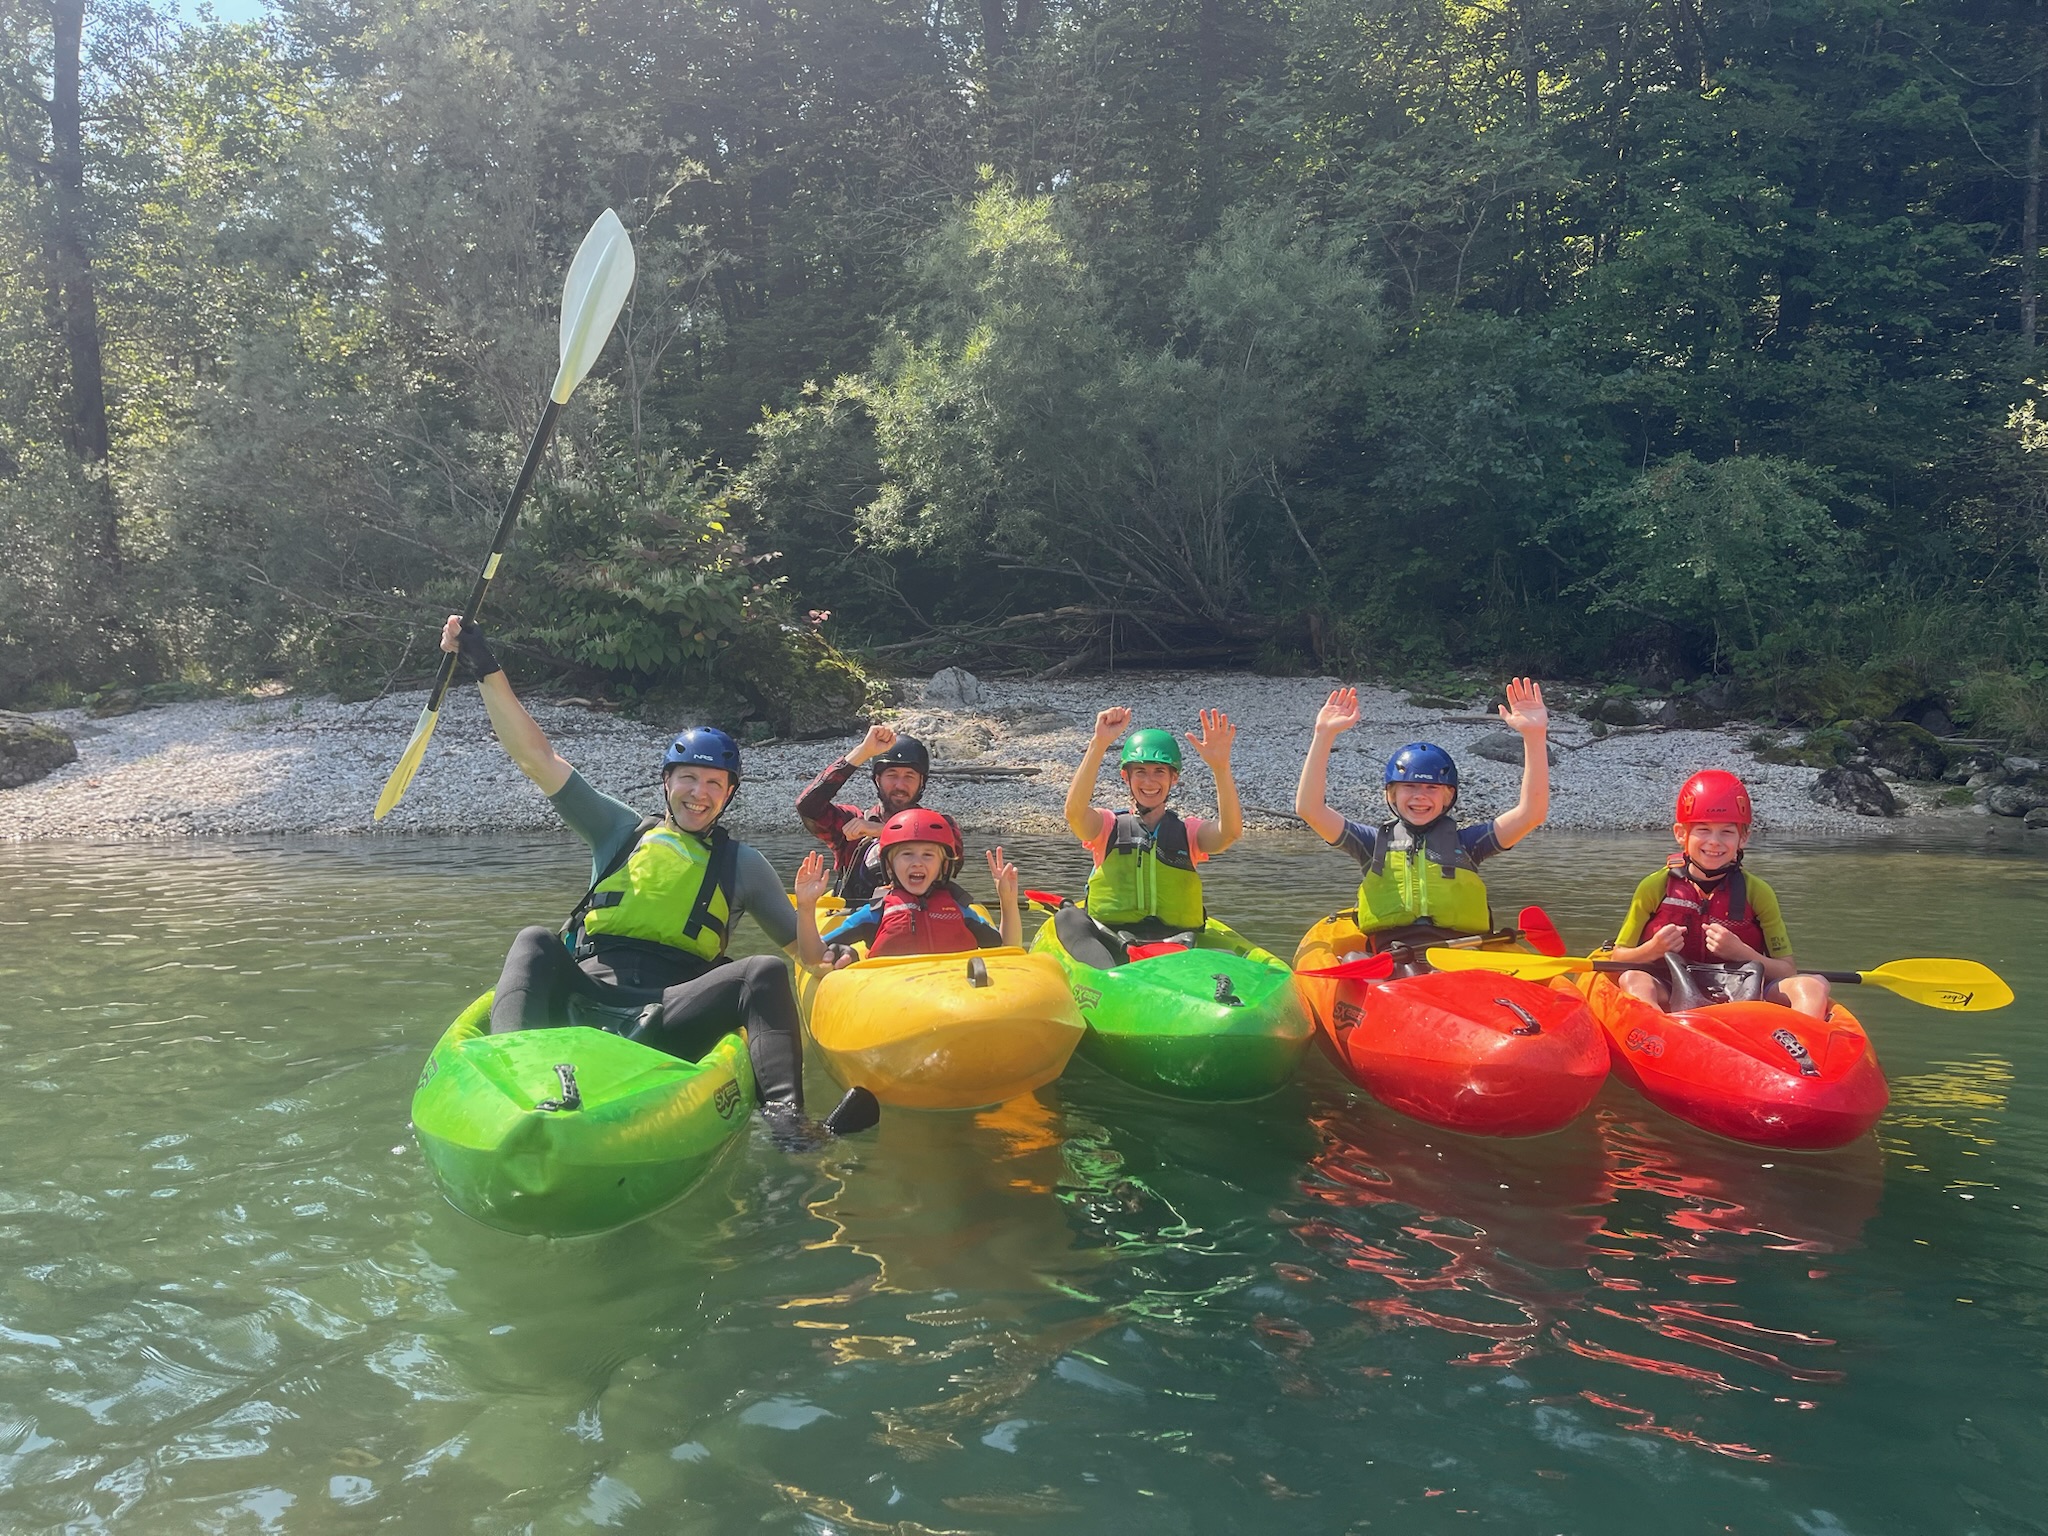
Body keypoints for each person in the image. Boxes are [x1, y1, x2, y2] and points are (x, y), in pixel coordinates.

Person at [437, 616, 876, 1143]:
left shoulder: (744, 864)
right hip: (588, 987)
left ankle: (788, 1124)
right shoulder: (618, 829)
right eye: (688, 778)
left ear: (729, 794)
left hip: (673, 1007)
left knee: (762, 970)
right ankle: (511, 1078)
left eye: (714, 783)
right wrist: (485, 667)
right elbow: (537, 758)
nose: (699, 793)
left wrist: (836, 952)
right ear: (666, 782)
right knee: (533, 940)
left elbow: (806, 957)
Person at [1293, 680, 1550, 950]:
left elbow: (1531, 813)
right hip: (1390, 959)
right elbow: (1310, 810)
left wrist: (1534, 735)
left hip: (1460, 957)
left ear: (1448, 797)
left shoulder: (1468, 844)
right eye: (1409, 786)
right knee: (1353, 960)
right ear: (1391, 794)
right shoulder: (1372, 844)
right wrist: (1323, 734)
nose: (1420, 796)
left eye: (1432, 788)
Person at [1601, 770, 1829, 1018]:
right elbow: (1617, 960)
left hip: (1744, 991)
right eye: (1703, 829)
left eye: (1727, 832)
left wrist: (1741, 953)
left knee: (1813, 985)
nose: (1714, 841)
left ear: (1743, 838)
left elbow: (1786, 970)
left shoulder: (1759, 893)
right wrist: (1653, 949)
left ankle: (1802, 1039)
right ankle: (1658, 1033)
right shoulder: (1654, 887)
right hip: (1670, 985)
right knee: (1634, 980)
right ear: (1681, 834)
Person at [1050, 706, 1242, 968]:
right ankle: (1109, 978)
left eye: (1159, 771)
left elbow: (1230, 832)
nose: (1149, 782)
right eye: (1140, 771)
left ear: (1174, 778)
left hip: (1177, 944)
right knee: (1068, 918)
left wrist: (1221, 768)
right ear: (1125, 777)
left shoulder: (1189, 833)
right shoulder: (1108, 826)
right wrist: (1099, 743)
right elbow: (1074, 813)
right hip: (1111, 940)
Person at [792, 810, 1022, 968]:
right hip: (897, 1003)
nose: (917, 863)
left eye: (928, 855)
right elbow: (814, 956)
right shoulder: (876, 913)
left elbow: (1007, 948)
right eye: (907, 854)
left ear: (943, 866)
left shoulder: (959, 911)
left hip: (955, 995)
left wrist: (1008, 900)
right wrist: (806, 907)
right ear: (889, 866)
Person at [796, 724, 932, 903]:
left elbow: (945, 843)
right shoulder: (851, 822)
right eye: (891, 775)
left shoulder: (938, 825)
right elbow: (808, 807)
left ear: (921, 782)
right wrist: (862, 752)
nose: (900, 785)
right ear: (877, 779)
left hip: (920, 914)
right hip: (856, 915)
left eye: (909, 776)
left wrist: (882, 830)